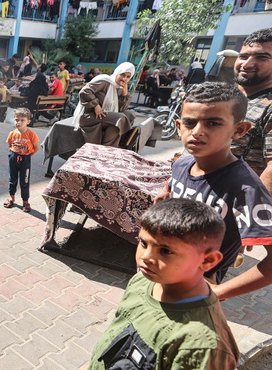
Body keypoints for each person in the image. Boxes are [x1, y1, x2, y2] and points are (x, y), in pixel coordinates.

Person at [85, 198, 239, 370]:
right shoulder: (142, 281)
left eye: (165, 251)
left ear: (208, 260)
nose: (145, 257)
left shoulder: (201, 346)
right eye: (143, 243)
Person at [156, 81, 272, 299]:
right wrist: (165, 192)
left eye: (213, 123)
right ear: (179, 126)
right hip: (160, 272)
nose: (197, 132)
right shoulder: (183, 163)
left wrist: (220, 291)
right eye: (190, 123)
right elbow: (174, 184)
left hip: (193, 289)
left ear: (239, 130)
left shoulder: (245, 188)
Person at [230, 28, 272, 193]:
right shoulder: (229, 96)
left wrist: (251, 211)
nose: (246, 64)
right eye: (243, 56)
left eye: (261, 57)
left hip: (235, 202)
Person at [72, 62, 136, 147]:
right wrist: (96, 105)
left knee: (130, 114)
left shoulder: (118, 87)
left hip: (103, 116)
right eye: (122, 74)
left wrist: (124, 94)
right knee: (120, 118)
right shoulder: (104, 80)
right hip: (90, 116)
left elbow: (121, 109)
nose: (124, 79)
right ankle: (111, 147)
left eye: (128, 77)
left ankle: (110, 147)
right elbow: (85, 91)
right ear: (117, 72)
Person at [3, 107, 39, 213]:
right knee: (12, 179)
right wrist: (14, 153)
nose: (19, 122)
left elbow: (36, 147)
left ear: (28, 121)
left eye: (22, 120)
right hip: (13, 157)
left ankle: (25, 201)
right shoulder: (12, 133)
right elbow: (10, 144)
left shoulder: (31, 134)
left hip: (25, 159)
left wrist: (28, 156)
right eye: (16, 120)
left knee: (24, 181)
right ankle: (11, 197)